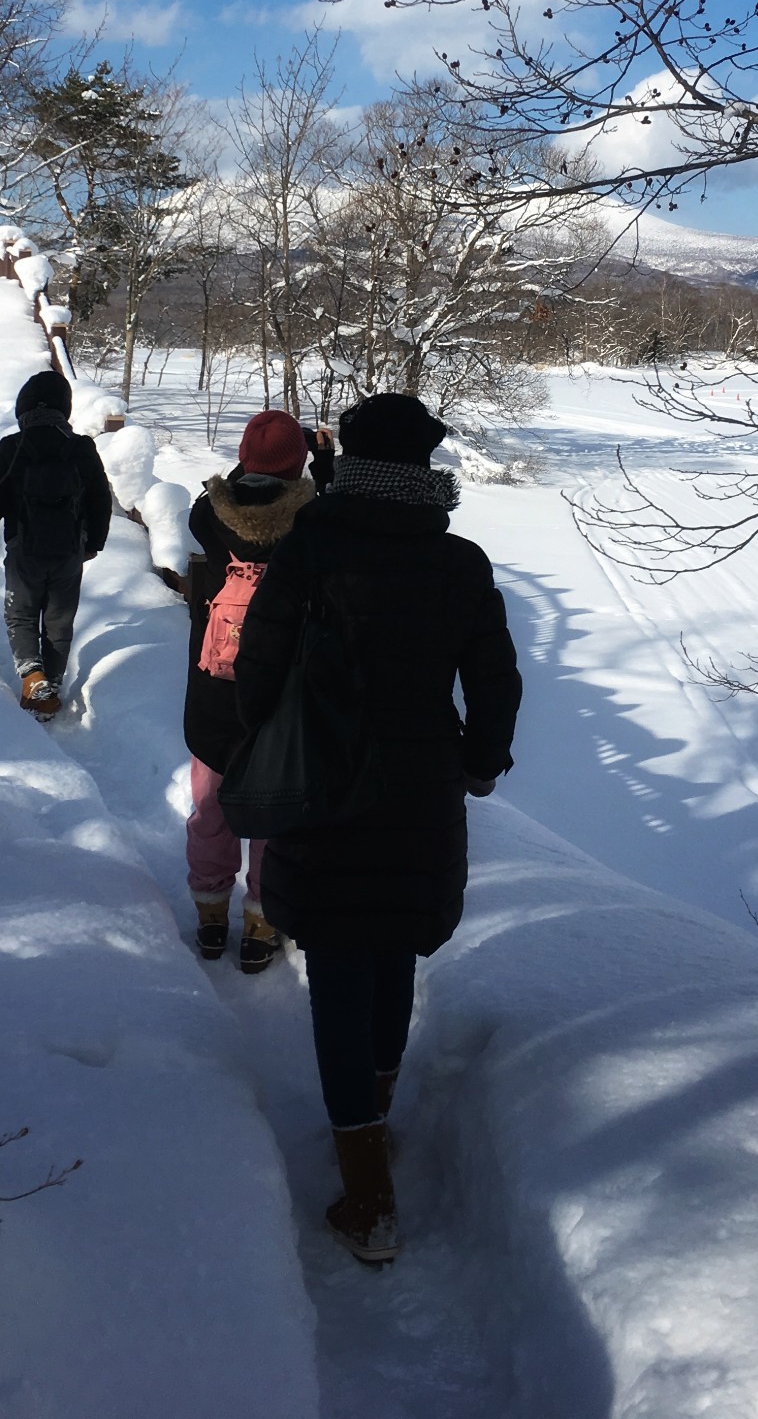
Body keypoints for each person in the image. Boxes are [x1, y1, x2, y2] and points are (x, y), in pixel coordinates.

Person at [234, 391, 521, 1266]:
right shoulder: (460, 564)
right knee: (392, 948)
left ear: (349, 461)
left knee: (340, 962)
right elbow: (497, 683)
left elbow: (258, 667)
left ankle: (367, 1183)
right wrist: (478, 762)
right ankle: (377, 1127)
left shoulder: (311, 549)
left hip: (325, 785)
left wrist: (273, 740)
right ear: (425, 470)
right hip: (421, 786)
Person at [183, 409, 332, 971]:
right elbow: (330, 504)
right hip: (282, 698)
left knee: (209, 807)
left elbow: (212, 500)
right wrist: (321, 462)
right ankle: (262, 922)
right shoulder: (313, 520)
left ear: (244, 459)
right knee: (274, 809)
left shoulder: (208, 516)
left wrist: (247, 466)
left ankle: (210, 913)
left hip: (214, 696)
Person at [0, 369, 113, 718]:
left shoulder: (12, 446)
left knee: (21, 614)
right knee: (59, 621)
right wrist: (94, 542)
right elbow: (100, 499)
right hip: (69, 551)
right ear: (64, 409)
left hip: (24, 551)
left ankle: (33, 679)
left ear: (23, 409)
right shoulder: (81, 447)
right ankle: (51, 684)